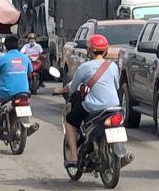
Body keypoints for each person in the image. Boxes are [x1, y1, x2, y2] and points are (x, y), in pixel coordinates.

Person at [54, 34, 126, 169]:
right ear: (106, 51)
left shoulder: (85, 67)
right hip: (114, 106)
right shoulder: (113, 66)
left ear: (89, 51)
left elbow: (73, 87)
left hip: (94, 107)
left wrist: (62, 90)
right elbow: (116, 86)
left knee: (70, 120)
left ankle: (74, 157)